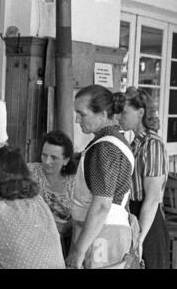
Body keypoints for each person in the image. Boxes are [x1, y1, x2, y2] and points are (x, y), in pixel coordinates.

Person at [66, 85, 135, 269]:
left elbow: (102, 205)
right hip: (103, 230)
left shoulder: (105, 148)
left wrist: (78, 251)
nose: (77, 119)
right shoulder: (112, 141)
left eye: (82, 114)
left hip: (102, 233)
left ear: (103, 114)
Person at [118, 86, 170, 269]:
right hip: (133, 215)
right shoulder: (135, 144)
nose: (120, 117)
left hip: (148, 220)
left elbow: (153, 198)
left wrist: (139, 238)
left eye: (124, 112)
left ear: (140, 112)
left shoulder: (152, 144)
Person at [27, 130, 77, 235]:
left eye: (54, 158)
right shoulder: (30, 172)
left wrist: (65, 226)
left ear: (66, 160)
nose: (47, 161)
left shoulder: (74, 182)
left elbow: (82, 213)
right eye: (44, 155)